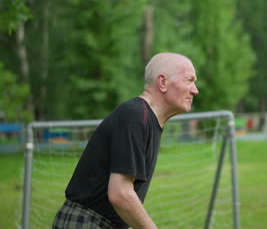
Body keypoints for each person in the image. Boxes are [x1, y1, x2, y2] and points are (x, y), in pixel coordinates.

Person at [52, 52, 199, 229]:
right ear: (163, 82)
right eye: (189, 80)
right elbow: (120, 193)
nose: (195, 90)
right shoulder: (136, 116)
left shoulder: (147, 119)